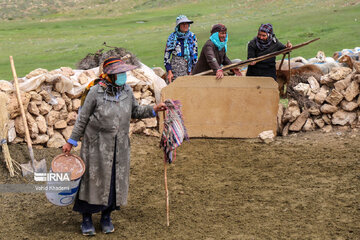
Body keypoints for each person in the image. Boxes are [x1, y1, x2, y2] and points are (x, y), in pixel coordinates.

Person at [62, 57, 166, 236]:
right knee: (92, 181)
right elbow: (83, 118)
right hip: (96, 146)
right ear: (109, 75)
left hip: (120, 146)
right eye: (119, 73)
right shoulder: (95, 92)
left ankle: (106, 216)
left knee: (114, 181)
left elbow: (135, 111)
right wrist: (71, 141)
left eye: (124, 73)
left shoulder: (126, 90)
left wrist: (153, 109)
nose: (123, 76)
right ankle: (86, 218)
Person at [164, 15, 198, 84]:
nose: (185, 25)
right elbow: (166, 57)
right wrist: (169, 72)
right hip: (176, 68)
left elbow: (195, 53)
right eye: (183, 24)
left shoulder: (192, 36)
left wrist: (194, 68)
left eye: (186, 23)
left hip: (189, 68)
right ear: (178, 26)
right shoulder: (172, 38)